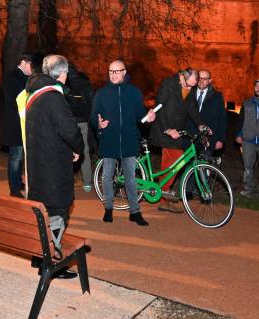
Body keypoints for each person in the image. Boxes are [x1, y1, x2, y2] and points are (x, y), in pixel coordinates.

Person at [25, 54, 84, 263]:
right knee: (57, 210)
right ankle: (51, 260)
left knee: (42, 210)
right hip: (53, 168)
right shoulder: (53, 98)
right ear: (63, 74)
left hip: (37, 164)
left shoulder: (34, 95)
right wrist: (78, 147)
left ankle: (38, 257)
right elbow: (69, 130)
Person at [91, 60, 156, 226]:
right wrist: (98, 124)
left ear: (124, 72)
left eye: (117, 71)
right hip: (109, 140)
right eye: (111, 71)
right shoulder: (102, 93)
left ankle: (134, 212)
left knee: (130, 178)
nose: (113, 74)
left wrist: (148, 119)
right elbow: (93, 116)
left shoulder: (134, 92)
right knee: (107, 176)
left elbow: (140, 118)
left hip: (128, 140)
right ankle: (108, 208)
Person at [149, 68, 200, 213]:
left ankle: (163, 197)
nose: (190, 88)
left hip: (176, 133)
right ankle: (164, 193)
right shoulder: (168, 84)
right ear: (182, 77)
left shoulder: (188, 88)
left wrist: (201, 124)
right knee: (176, 160)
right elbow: (160, 107)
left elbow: (193, 109)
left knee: (171, 164)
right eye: (188, 85)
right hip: (164, 130)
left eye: (192, 86)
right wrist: (167, 129)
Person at [1, 53, 32, 197]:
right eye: (31, 65)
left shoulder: (25, 78)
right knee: (15, 156)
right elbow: (15, 102)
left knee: (20, 156)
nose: (32, 69)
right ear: (24, 63)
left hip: (22, 123)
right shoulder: (12, 78)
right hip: (15, 124)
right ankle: (14, 189)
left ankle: (18, 182)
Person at [65, 63, 94, 192]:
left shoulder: (62, 83)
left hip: (67, 122)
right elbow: (91, 101)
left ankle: (67, 180)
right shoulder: (85, 82)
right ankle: (87, 182)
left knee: (66, 151)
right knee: (84, 151)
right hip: (83, 121)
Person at [191, 69, 227, 158]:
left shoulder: (217, 96)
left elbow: (222, 119)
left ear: (210, 81)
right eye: (199, 78)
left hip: (208, 139)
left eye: (205, 79)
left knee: (204, 168)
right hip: (190, 137)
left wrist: (220, 139)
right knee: (189, 167)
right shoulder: (189, 93)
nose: (201, 81)